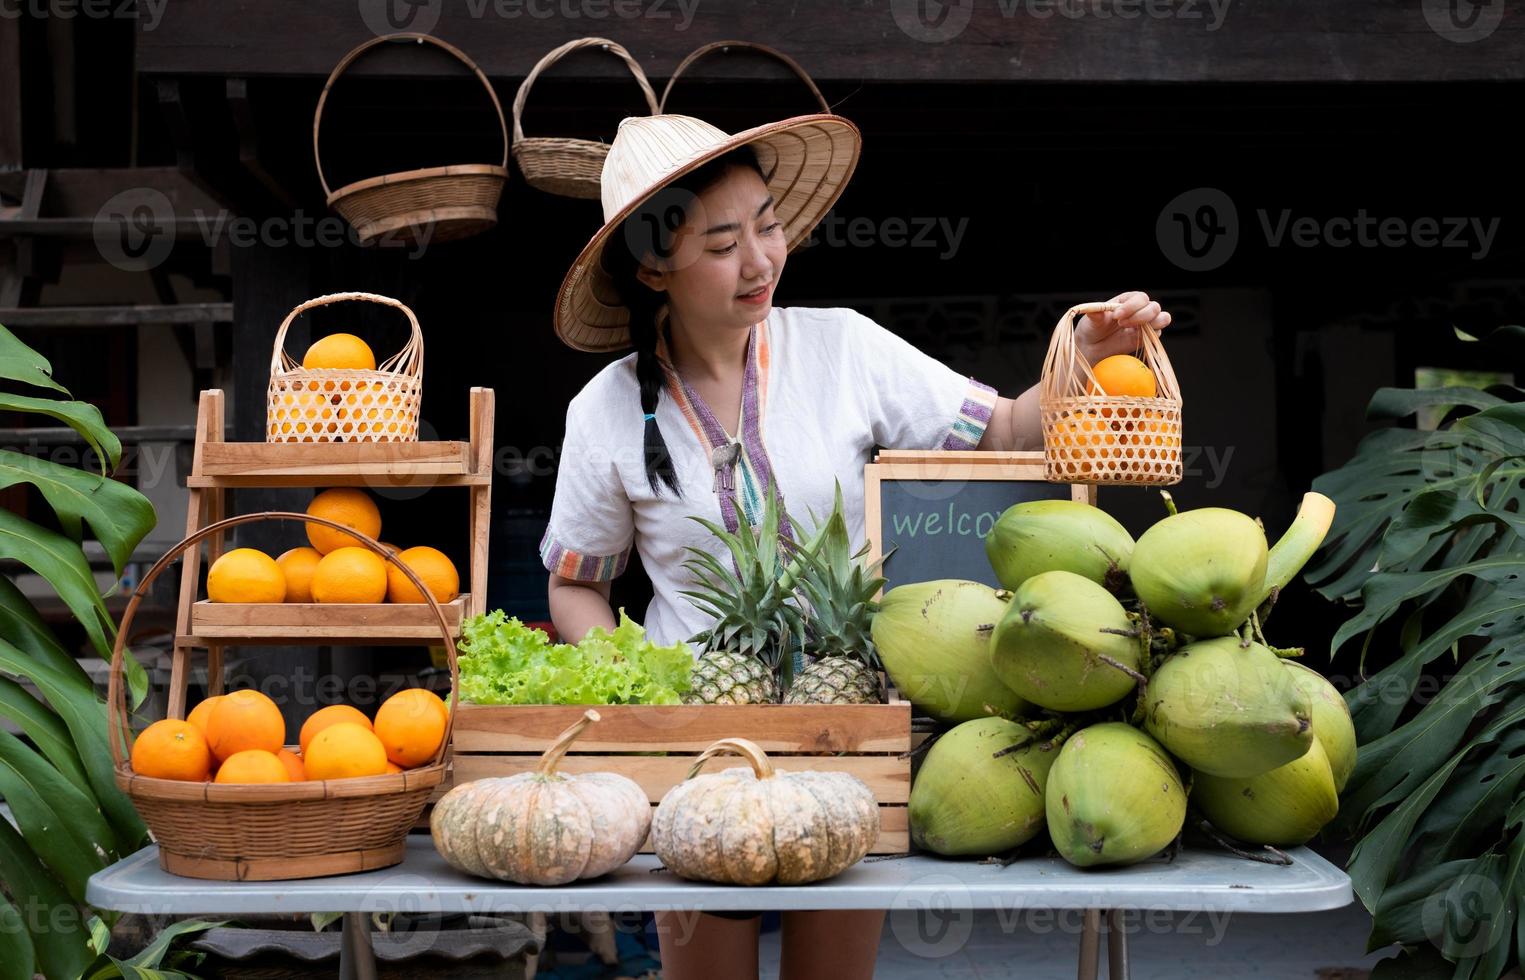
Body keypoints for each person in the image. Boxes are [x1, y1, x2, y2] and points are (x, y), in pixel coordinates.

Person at [541, 112, 1171, 980]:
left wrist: (1086, 357)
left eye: (766, 224)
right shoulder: (604, 409)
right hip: (696, 744)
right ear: (654, 267)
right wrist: (643, 693)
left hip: (852, 722)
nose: (759, 259)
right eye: (722, 243)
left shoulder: (842, 346)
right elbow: (577, 585)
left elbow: (1001, 436)